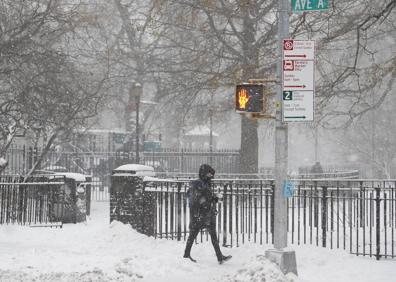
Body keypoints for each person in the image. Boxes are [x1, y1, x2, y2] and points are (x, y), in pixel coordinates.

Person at [183, 164, 232, 264]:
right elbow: (199, 199)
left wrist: (214, 198)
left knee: (210, 235)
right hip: (200, 215)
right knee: (193, 235)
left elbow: (205, 197)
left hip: (204, 215)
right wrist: (211, 200)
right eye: (209, 175)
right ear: (204, 173)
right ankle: (186, 255)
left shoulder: (203, 184)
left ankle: (219, 256)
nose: (211, 177)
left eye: (211, 175)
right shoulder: (198, 184)